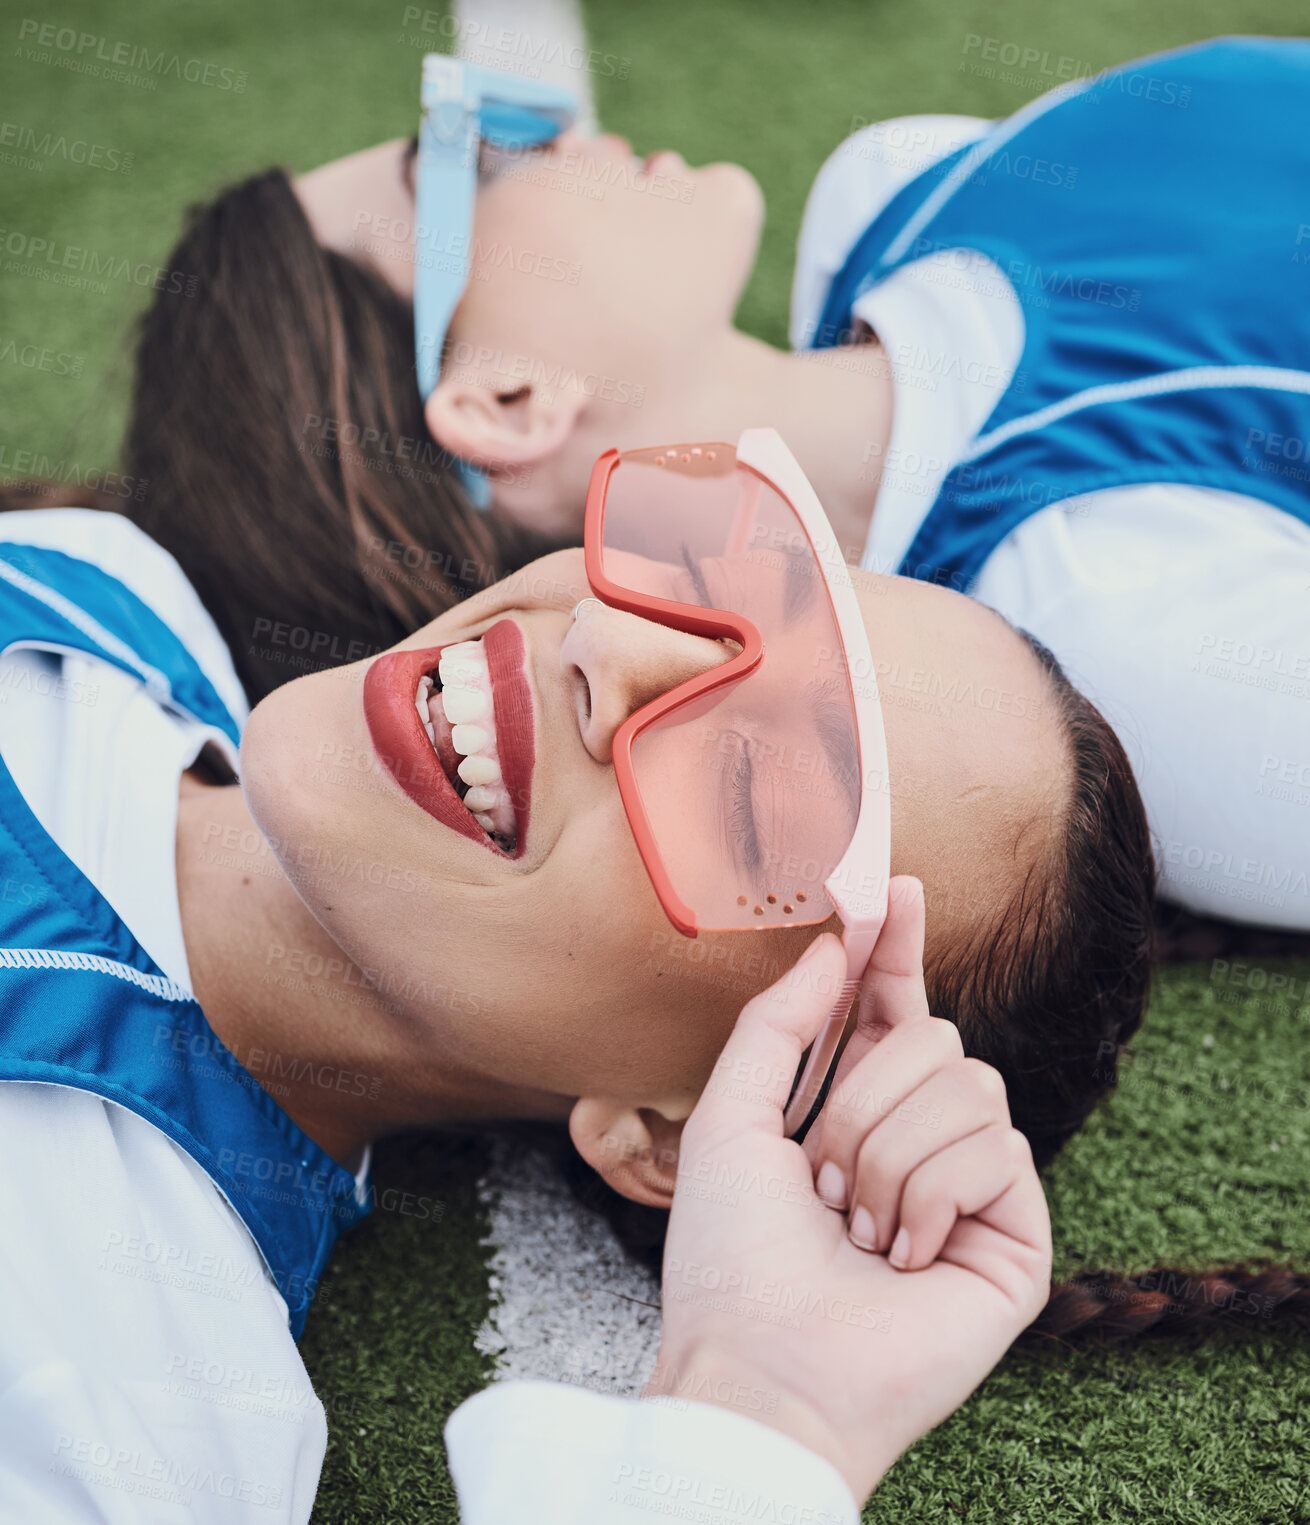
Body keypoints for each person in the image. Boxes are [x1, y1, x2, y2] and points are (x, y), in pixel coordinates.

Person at [0, 483, 1062, 1521]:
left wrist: (767, 1403)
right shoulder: (95, 586)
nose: (612, 645)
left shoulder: (129, 1421)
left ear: (675, 1130)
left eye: (752, 795)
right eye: (723, 579)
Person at [293, 34, 1308, 934]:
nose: (553, 124)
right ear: (508, 400)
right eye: (478, 151)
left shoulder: (887, 192)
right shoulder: (1113, 633)